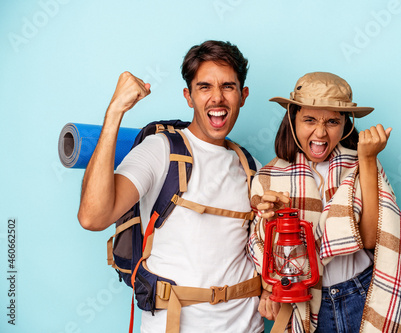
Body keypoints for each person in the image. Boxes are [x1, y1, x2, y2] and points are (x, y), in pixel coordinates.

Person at [77, 40, 264, 333]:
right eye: (205, 87)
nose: (217, 98)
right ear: (188, 96)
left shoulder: (251, 165)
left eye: (228, 86)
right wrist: (114, 113)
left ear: (243, 95)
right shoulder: (160, 150)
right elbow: (93, 217)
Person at [248, 72, 401, 333]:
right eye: (309, 119)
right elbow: (263, 248)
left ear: (346, 123)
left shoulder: (360, 165)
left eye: (332, 121)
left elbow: (370, 240)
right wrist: (274, 219)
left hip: (360, 293)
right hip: (310, 302)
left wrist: (367, 159)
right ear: (293, 119)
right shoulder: (269, 178)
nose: (320, 133)